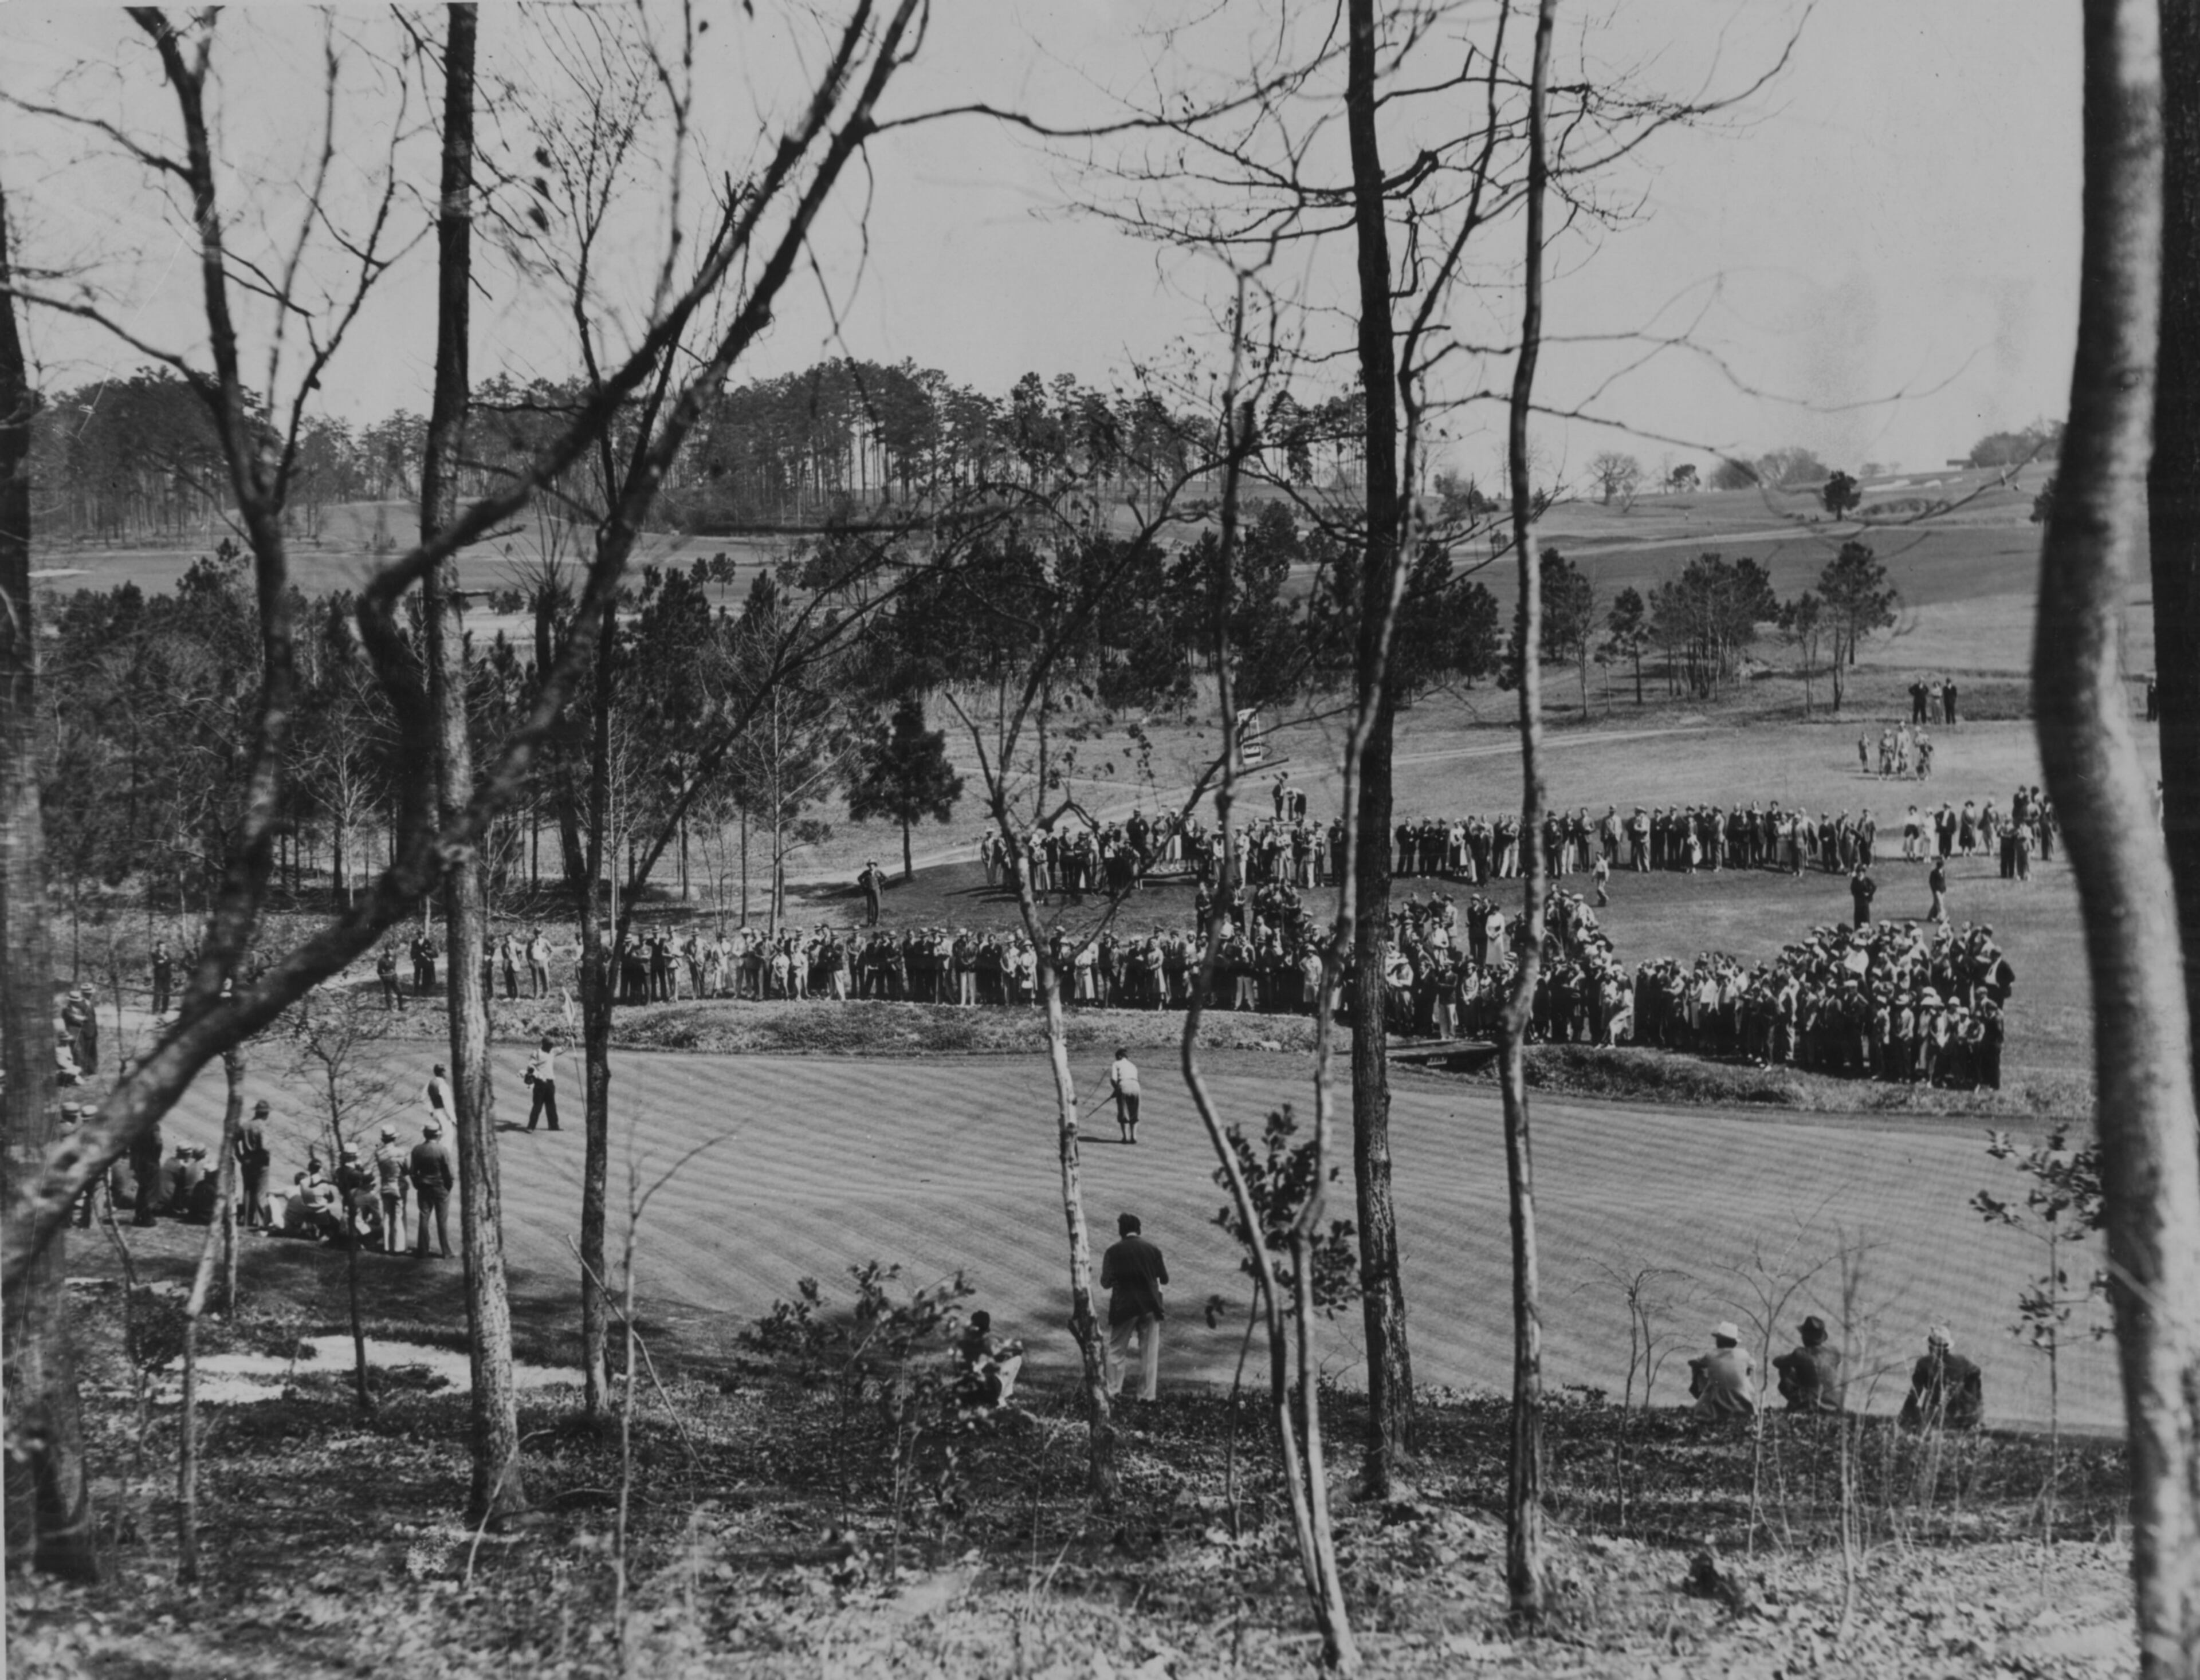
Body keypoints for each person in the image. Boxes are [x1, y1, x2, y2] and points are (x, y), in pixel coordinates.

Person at [1099, 1211, 1169, 1403]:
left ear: (1121, 1231)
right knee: (1149, 1354)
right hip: (1150, 1305)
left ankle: (1113, 1392)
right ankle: (1147, 1396)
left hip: (1124, 1306)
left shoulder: (1113, 1251)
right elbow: (1164, 1278)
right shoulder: (1153, 1249)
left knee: (1116, 1351)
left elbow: (1105, 1282)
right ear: (1139, 1229)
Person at [1901, 1326, 1983, 1430]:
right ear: (1947, 1347)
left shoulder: (1924, 1364)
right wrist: (1974, 1403)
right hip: (1960, 1412)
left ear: (1930, 1347)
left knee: (1928, 1398)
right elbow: (1976, 1372)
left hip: (1936, 1413)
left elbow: (1914, 1395)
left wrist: (1903, 1416)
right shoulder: (1962, 1361)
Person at [951, 1309, 1026, 1419]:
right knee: (1018, 1359)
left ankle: (998, 1399)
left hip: (965, 1390)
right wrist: (1001, 1357)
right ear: (986, 1329)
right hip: (988, 1391)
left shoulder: (961, 1344)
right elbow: (1018, 1351)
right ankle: (1003, 1398)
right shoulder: (990, 1342)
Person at [1772, 1315, 1844, 1413]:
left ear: (1804, 1337)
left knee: (1785, 1370)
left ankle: (1796, 1405)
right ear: (1822, 1338)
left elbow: (1776, 1362)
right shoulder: (1835, 1353)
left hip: (1811, 1402)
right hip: (1834, 1401)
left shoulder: (1800, 1354)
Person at [1688, 1321, 1756, 1419]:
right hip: (1743, 1404)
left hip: (1716, 1403)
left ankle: (1701, 1397)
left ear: (1719, 1341)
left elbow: (1692, 1362)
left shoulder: (1711, 1355)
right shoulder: (1744, 1354)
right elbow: (1753, 1365)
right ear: (1735, 1343)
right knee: (1746, 1371)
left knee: (1698, 1369)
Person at [410, 1120, 456, 1258]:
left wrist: (417, 1184)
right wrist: (448, 1187)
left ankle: (423, 1250)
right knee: (442, 1220)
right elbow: (449, 1174)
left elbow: (413, 1172)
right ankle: (446, 1251)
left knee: (424, 1217)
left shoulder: (417, 1149)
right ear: (437, 1136)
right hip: (440, 1188)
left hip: (424, 1187)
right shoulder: (442, 1150)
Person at [236, 1098, 275, 1229]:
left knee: (247, 1190)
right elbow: (264, 1147)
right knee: (261, 1192)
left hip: (246, 1162)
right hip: (260, 1164)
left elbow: (234, 1141)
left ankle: (247, 1221)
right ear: (266, 1113)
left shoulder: (245, 1125)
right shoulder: (262, 1126)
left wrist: (239, 1156)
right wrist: (267, 1156)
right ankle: (260, 1222)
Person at [372, 1124, 410, 1253]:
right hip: (398, 1187)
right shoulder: (400, 1152)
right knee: (399, 1216)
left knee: (388, 1215)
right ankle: (399, 1247)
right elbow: (406, 1170)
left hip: (385, 1186)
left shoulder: (379, 1153)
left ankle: (388, 1246)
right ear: (394, 1138)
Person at [525, 1036, 561, 1132]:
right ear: (544, 1044)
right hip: (540, 1083)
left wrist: (568, 1039)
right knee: (537, 1106)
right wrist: (532, 1072)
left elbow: (564, 1048)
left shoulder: (553, 1052)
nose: (551, 1047)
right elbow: (531, 1065)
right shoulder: (537, 1053)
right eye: (549, 1045)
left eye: (552, 1045)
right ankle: (531, 1127)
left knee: (551, 1105)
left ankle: (554, 1126)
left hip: (550, 1083)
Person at [1108, 1047, 1141, 1146]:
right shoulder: (1133, 1065)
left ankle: (1125, 1137)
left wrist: (1116, 1090)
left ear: (1119, 1056)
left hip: (1123, 1085)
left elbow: (1113, 1080)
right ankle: (1134, 1137)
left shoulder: (1116, 1064)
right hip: (1136, 1086)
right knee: (1134, 1112)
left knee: (1123, 1112)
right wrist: (1117, 1090)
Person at [150, 940, 175, 1017]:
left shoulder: (167, 953)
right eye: (161, 946)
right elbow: (156, 964)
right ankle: (155, 1010)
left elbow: (171, 961)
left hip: (167, 975)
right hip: (159, 975)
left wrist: (163, 961)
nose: (163, 948)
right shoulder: (154, 954)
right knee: (157, 992)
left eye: (164, 946)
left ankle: (164, 1010)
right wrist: (166, 961)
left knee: (166, 992)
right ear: (158, 947)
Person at [423, 1062, 453, 1126]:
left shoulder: (430, 1083)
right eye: (446, 1071)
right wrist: (453, 1119)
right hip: (444, 1114)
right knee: (447, 1135)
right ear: (442, 1073)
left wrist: (430, 1110)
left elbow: (424, 1097)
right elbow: (447, 1104)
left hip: (435, 1113)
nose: (447, 1073)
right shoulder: (443, 1085)